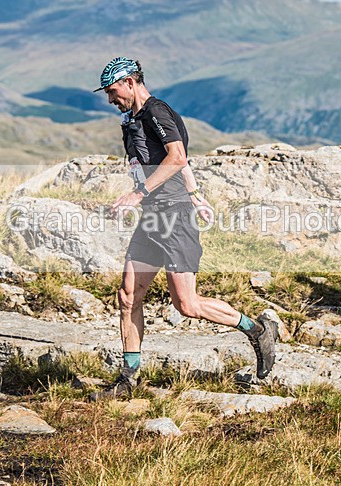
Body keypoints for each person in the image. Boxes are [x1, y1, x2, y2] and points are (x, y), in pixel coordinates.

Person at [90, 57, 278, 398]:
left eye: (113, 91)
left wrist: (140, 193)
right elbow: (178, 161)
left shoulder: (156, 112)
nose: (110, 99)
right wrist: (195, 193)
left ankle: (258, 330)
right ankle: (127, 381)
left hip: (175, 218)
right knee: (128, 295)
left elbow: (177, 157)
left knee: (187, 306)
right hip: (152, 218)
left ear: (130, 82)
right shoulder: (132, 118)